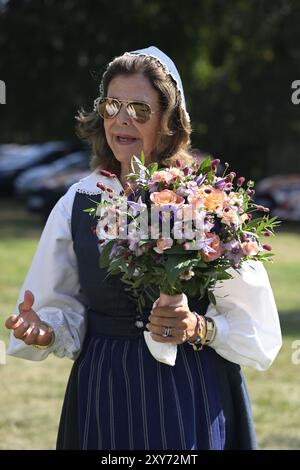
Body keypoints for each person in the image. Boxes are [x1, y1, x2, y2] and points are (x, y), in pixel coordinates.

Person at [5, 46, 282, 450]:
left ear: (170, 123)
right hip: (106, 389)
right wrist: (45, 330)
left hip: (193, 388)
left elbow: (255, 326)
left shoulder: (207, 203)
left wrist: (199, 327)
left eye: (139, 109)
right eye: (112, 105)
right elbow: (60, 307)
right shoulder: (77, 202)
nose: (122, 118)